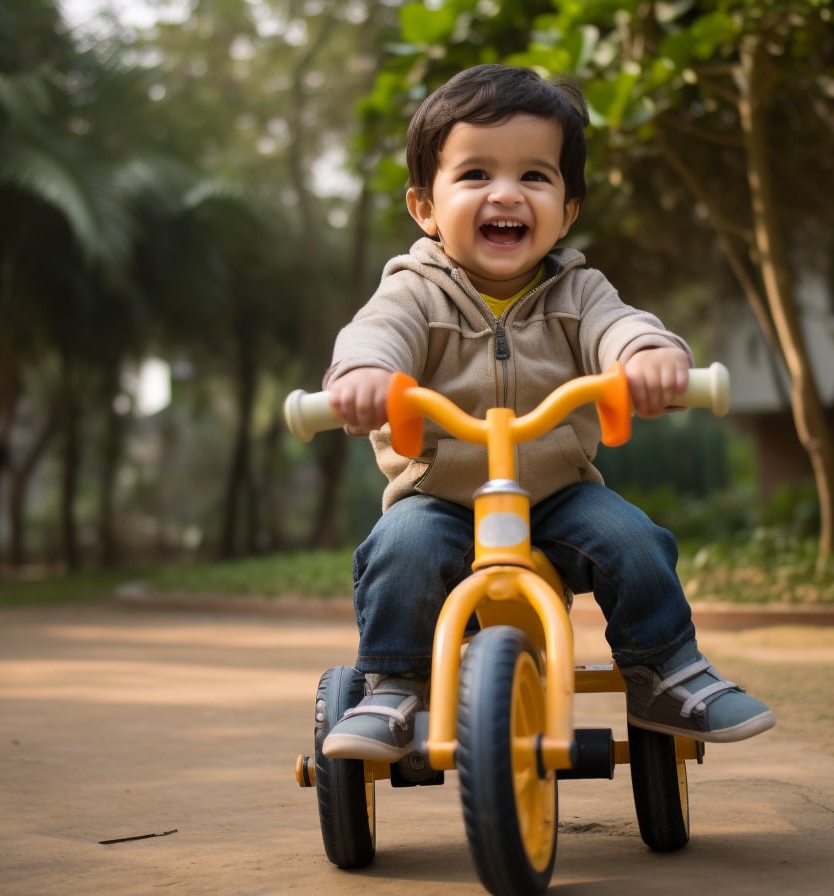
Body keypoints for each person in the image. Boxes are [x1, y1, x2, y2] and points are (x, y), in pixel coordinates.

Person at [320, 64, 774, 761]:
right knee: (399, 549)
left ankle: (664, 669)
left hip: (558, 496)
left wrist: (647, 357)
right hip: (439, 497)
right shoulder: (414, 292)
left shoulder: (578, 290)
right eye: (475, 175)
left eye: (535, 176)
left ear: (566, 211)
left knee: (633, 539)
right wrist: (364, 375)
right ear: (425, 207)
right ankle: (396, 683)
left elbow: (620, 326)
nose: (507, 193)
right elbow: (376, 335)